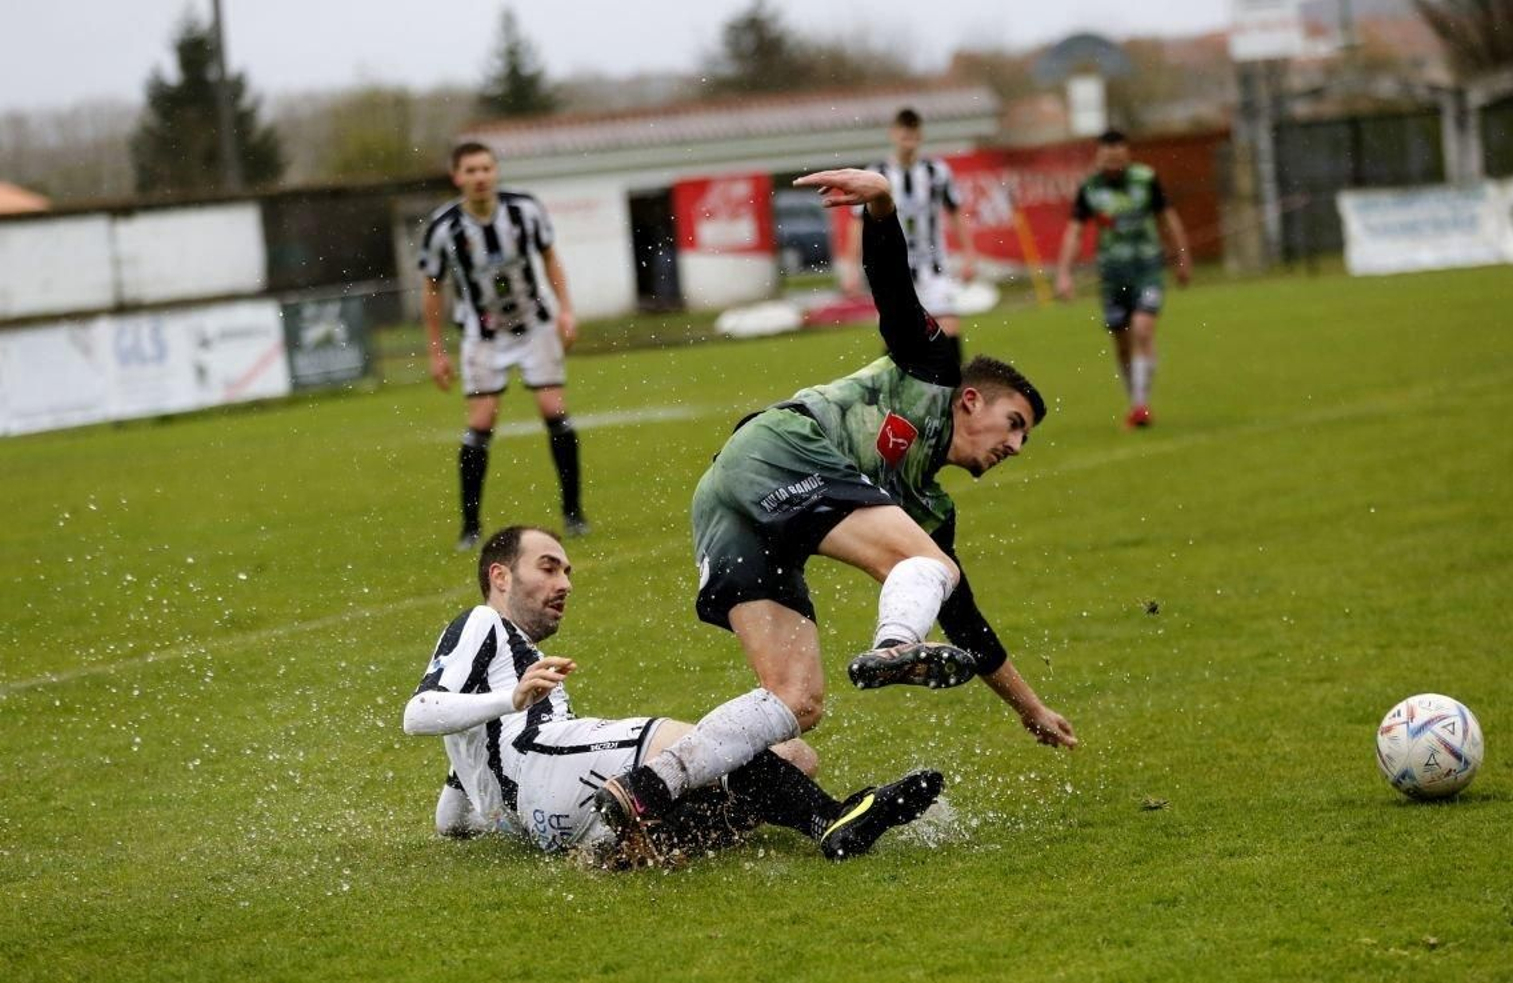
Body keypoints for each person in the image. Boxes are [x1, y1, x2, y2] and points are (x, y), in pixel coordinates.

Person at [593, 168, 1077, 836]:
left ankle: (647, 789)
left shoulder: (929, 509)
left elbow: (967, 623)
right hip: (780, 448)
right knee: (930, 568)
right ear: (972, 399)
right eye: (1016, 422)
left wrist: (1030, 708)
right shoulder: (932, 369)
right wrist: (880, 204)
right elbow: (892, 286)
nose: (1017, 444)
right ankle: (896, 643)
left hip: (726, 504)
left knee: (798, 700)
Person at [402, 524, 944, 865]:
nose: (564, 582)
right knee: (726, 749)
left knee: (795, 758)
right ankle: (830, 821)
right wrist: (512, 701)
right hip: (548, 760)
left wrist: (487, 811)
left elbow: (452, 818)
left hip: (552, 817)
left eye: (567, 571)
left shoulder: (497, 693)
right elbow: (419, 711)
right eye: (548, 567)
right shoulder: (483, 623)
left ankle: (627, 844)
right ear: (499, 575)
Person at [419, 141, 587, 551]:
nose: (480, 177)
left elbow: (550, 258)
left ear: (496, 172)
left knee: (554, 411)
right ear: (457, 177)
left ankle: (574, 512)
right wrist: (436, 349)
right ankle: (470, 526)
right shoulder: (443, 229)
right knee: (481, 422)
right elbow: (432, 287)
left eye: (486, 168)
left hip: (533, 325)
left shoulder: (525, 211)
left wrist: (566, 310)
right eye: (471, 171)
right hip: (482, 334)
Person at [1053, 129, 1192, 430]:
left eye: (1118, 160)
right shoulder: (1090, 188)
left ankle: (1141, 406)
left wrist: (1182, 258)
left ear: (1127, 155)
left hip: (1147, 269)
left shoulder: (1146, 179)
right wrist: (1064, 274)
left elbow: (1168, 219)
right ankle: (1135, 401)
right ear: (1098, 159)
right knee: (1122, 342)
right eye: (1107, 161)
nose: (1113, 166)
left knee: (1143, 330)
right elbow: (1075, 232)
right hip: (1112, 275)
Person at [839, 107, 976, 356]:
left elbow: (955, 212)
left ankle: (951, 392)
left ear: (920, 134)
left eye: (913, 130)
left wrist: (969, 255)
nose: (909, 136)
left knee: (949, 330)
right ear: (893, 134)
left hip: (933, 266)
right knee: (898, 339)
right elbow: (858, 222)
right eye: (904, 130)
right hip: (893, 269)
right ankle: (898, 392)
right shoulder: (877, 174)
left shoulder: (937, 172)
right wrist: (851, 269)